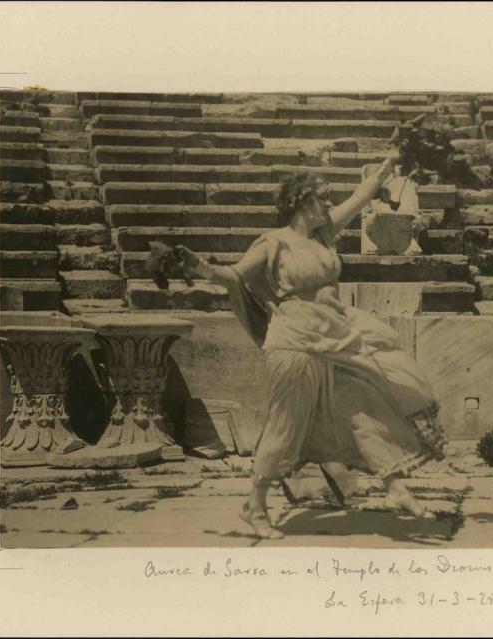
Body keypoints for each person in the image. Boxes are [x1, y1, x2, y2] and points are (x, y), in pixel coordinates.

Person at [176, 159, 446, 539]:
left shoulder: (324, 235)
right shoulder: (275, 242)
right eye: (322, 199)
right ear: (302, 202)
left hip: (336, 335)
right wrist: (199, 266)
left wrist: (386, 168)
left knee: (362, 404)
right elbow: (235, 277)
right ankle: (254, 505)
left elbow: (357, 197)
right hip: (295, 342)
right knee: (286, 425)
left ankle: (395, 487)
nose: (327, 205)